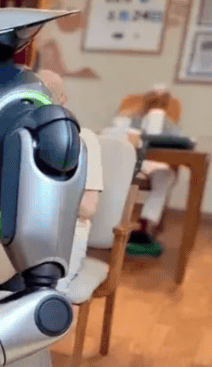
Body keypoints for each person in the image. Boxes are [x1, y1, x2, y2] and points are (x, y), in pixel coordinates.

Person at [37, 70, 105, 298]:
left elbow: (88, 208)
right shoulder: (16, 136)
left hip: (64, 235)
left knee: (44, 295)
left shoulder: (84, 139)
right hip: (19, 231)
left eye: (49, 95)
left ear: (63, 100)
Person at [110, 83, 181, 257]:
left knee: (164, 176)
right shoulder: (133, 119)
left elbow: (179, 141)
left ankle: (146, 224)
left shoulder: (169, 124)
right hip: (135, 162)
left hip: (159, 165)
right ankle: (112, 222)